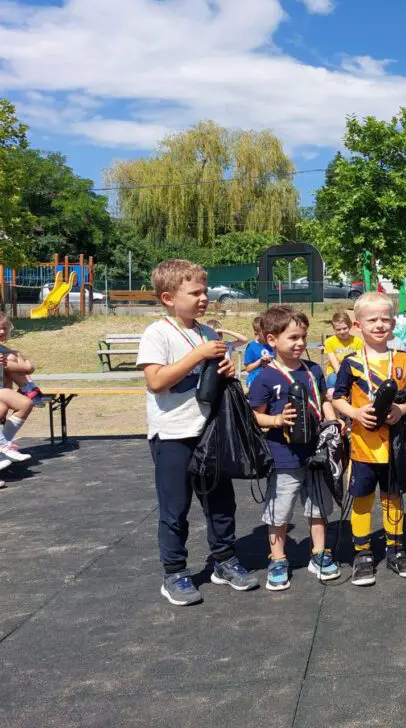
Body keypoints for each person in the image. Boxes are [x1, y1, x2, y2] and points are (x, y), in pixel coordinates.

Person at [137, 259, 257, 606]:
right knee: (175, 509)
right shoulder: (157, 333)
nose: (204, 298)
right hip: (173, 435)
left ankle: (224, 560)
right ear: (168, 298)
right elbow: (156, 381)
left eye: (205, 291)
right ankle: (174, 572)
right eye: (195, 293)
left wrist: (226, 371)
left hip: (210, 432)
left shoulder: (207, 333)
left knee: (221, 504)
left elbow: (213, 380)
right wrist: (198, 355)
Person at [248, 305, 340, 591]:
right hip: (283, 456)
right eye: (293, 338)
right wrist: (277, 420)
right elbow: (254, 416)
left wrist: (333, 421)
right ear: (272, 339)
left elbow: (324, 400)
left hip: (316, 453)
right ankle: (277, 559)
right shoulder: (265, 377)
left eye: (303, 337)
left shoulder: (313, 370)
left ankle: (319, 553)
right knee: (280, 510)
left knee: (318, 506)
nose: (300, 343)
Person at [332, 293, 406, 585]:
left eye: (385, 319)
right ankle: (362, 553)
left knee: (393, 497)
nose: (379, 325)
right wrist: (355, 413)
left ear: (393, 324)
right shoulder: (351, 362)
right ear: (358, 326)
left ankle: (396, 549)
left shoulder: (403, 359)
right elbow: (337, 398)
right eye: (372, 320)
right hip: (363, 447)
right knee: (362, 499)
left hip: (394, 447)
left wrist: (402, 410)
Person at [0, 311, 34, 466]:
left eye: (4, 328)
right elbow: (7, 365)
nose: (1, 332)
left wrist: (18, 357)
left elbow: (10, 358)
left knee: (26, 404)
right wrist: (26, 367)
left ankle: (0, 447)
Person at [324, 311, 363, 380]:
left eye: (344, 328)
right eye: (338, 329)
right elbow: (334, 363)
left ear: (349, 326)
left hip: (353, 371)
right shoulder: (329, 342)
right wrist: (342, 376)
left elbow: (359, 361)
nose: (342, 332)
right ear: (334, 329)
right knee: (333, 381)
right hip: (335, 372)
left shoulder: (358, 341)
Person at [242, 315, 273, 388]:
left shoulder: (273, 344)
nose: (268, 334)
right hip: (255, 381)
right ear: (256, 333)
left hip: (272, 380)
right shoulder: (251, 347)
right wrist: (260, 361)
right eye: (264, 332)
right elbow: (248, 369)